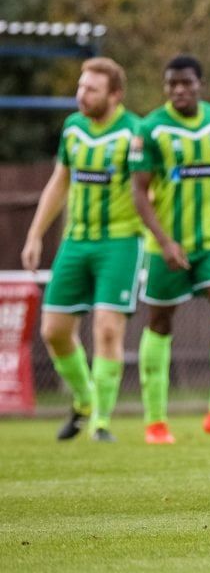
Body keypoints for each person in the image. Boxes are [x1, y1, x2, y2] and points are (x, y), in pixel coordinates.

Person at [130, 54, 210, 445]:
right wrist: (165, 242)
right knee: (161, 323)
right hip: (168, 246)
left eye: (186, 83)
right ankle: (155, 421)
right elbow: (138, 192)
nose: (179, 90)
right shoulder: (150, 128)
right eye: (172, 85)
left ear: (200, 84)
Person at [21, 57, 142, 442]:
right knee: (53, 331)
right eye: (80, 86)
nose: (81, 95)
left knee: (107, 329)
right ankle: (85, 399)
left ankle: (101, 421)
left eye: (91, 89)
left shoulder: (134, 132)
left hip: (120, 241)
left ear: (114, 95)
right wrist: (35, 234)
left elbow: (148, 189)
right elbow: (60, 181)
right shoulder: (73, 129)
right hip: (75, 241)